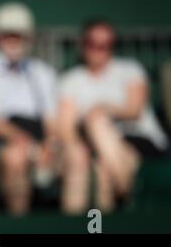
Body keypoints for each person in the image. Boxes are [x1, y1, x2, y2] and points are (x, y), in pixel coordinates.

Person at [58, 19, 168, 214]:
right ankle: (122, 195)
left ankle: (125, 188)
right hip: (98, 149)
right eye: (94, 44)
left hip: (139, 139)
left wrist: (104, 109)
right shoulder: (71, 80)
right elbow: (66, 128)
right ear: (83, 45)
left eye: (106, 45)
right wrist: (78, 150)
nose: (99, 50)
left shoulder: (129, 69)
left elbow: (134, 110)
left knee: (97, 121)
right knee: (100, 167)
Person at [0, 2, 58, 215]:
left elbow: (52, 120)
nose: (14, 41)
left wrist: (50, 146)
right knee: (16, 156)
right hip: (3, 140)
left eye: (20, 35)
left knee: (77, 157)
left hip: (39, 139)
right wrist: (22, 140)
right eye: (9, 35)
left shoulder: (43, 72)